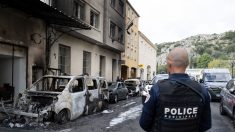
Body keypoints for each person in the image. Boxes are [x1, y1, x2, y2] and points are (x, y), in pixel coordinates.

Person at [139, 48, 211, 132]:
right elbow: (206, 125)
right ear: (187, 64)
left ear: (169, 64)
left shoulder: (157, 89)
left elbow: (144, 123)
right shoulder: (202, 90)